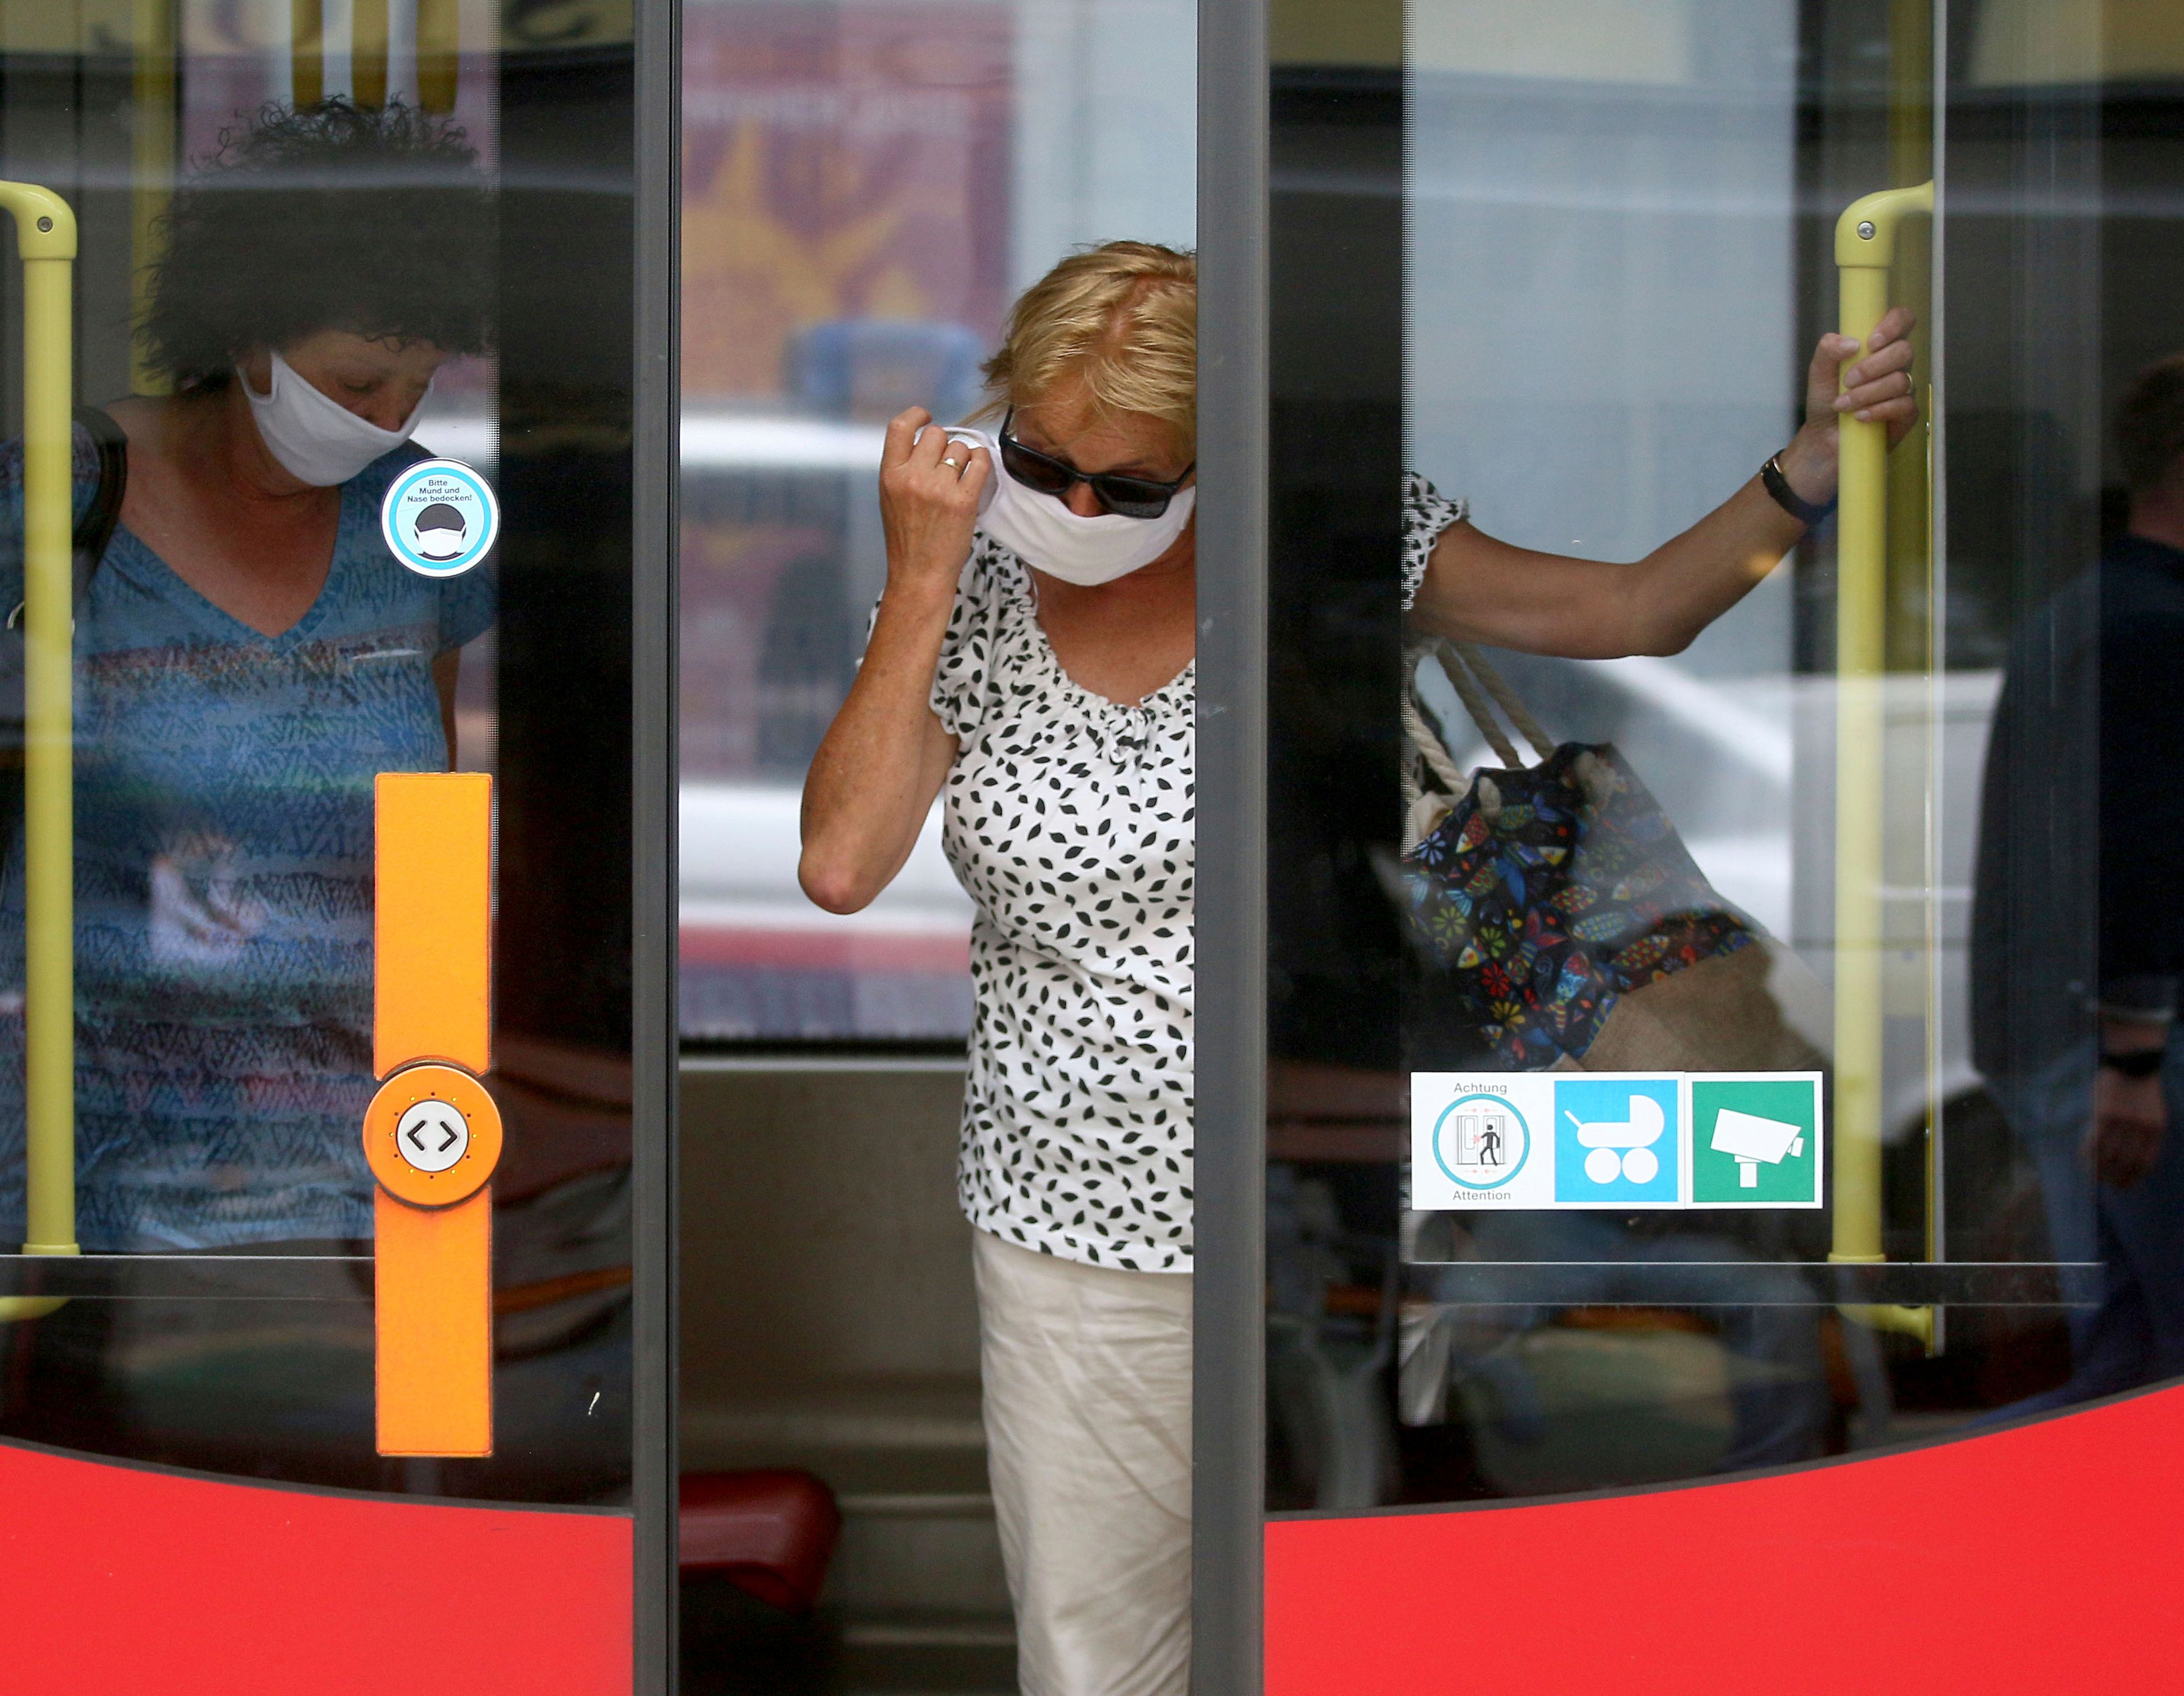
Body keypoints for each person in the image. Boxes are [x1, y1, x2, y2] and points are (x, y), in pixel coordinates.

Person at [800, 239, 1915, 1694]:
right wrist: (924, 577)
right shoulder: (974, 587)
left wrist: (1803, 471)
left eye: (1128, 484)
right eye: (1042, 458)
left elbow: (1634, 613)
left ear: (1221, 461)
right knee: (1100, 1660)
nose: (1074, 505)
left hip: (1349, 1204)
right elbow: (841, 862)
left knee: (1373, 1631)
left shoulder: (1332, 541)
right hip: (1073, 1227)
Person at [0, 100, 492, 1466]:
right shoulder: (55, 500)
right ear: (248, 340)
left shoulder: (418, 526)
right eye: (353, 383)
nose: (387, 420)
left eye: (415, 386)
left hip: (363, 1188)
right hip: (103, 1192)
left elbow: (428, 812)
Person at [1973, 353, 2184, 1412]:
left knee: (2125, 1365)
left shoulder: (2079, 615)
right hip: (2127, 1060)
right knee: (2152, 1370)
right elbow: (2143, 848)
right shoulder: (2152, 627)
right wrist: (2134, 1056)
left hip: (2063, 1041)